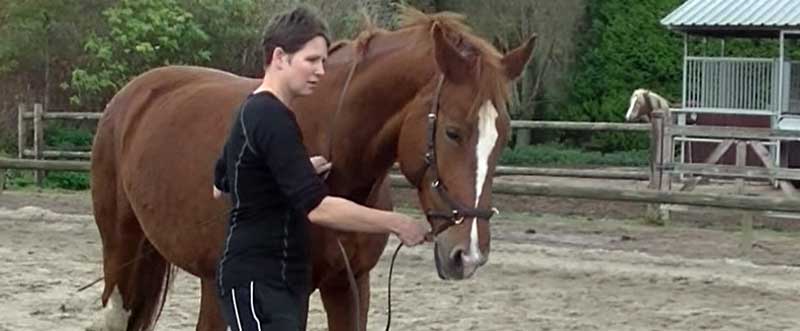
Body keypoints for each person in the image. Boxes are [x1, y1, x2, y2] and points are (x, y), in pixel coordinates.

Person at [211, 5, 428, 331]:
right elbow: (318, 209)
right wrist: (396, 222)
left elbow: (222, 184)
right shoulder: (271, 118)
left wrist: (291, 171)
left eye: (323, 61)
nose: (320, 71)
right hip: (258, 281)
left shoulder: (253, 111)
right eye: (311, 60)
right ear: (280, 57)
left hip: (280, 282)